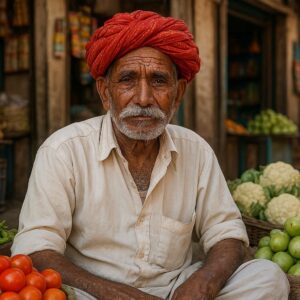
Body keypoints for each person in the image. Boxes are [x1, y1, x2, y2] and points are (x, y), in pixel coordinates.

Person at [12, 10, 289, 300]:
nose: (143, 99)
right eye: (128, 80)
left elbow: (227, 232)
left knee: (268, 277)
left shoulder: (196, 151)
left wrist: (204, 283)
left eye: (158, 81)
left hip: (175, 291)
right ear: (105, 92)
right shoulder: (63, 151)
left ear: (178, 92)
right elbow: (36, 247)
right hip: (91, 293)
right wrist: (116, 293)